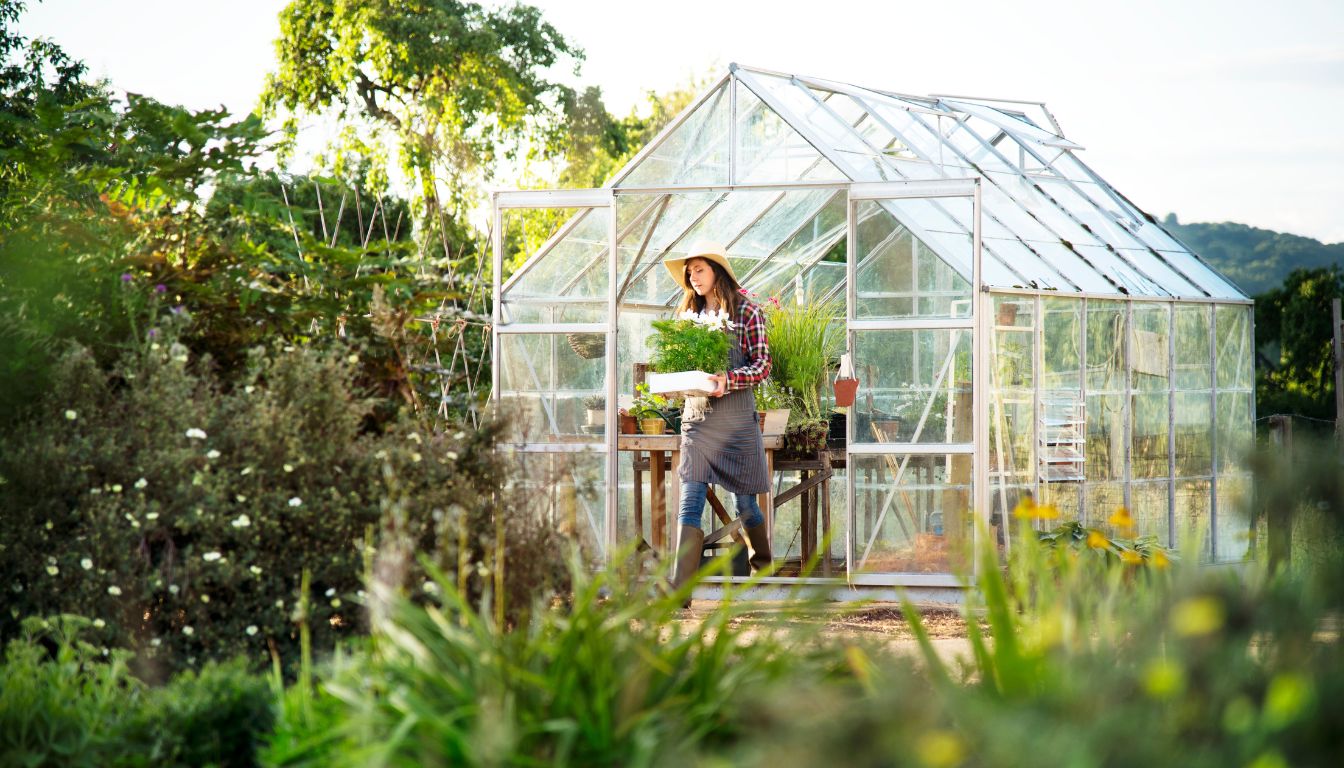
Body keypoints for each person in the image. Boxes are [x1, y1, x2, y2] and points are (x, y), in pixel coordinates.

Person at [662, 240, 773, 597]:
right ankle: (680, 591)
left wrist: (730, 380)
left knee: (745, 504)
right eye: (689, 271)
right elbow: (680, 367)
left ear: (717, 271)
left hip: (737, 422)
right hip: (697, 421)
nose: (693, 277)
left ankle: (763, 564)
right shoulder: (686, 318)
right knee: (690, 496)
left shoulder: (746, 313)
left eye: (699, 269)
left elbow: (762, 365)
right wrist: (672, 387)